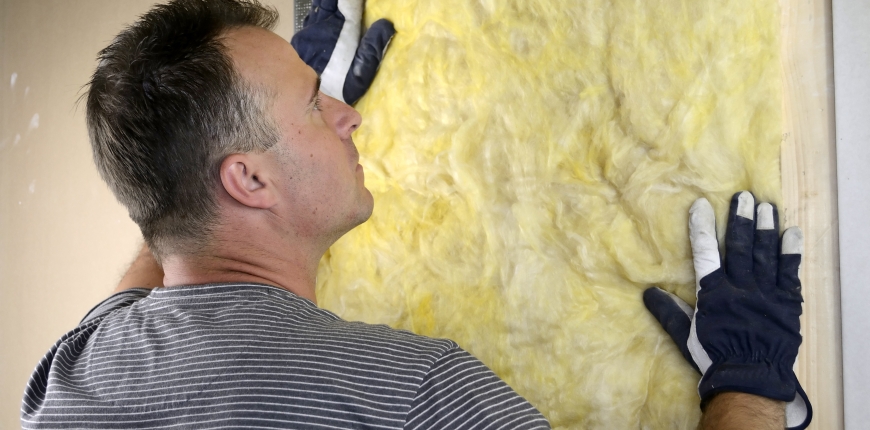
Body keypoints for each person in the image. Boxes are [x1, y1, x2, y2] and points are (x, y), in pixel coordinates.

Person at [20, 0, 811, 429]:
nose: (348, 115)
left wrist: (288, 130)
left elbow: (163, 243)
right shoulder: (413, 395)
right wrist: (747, 384)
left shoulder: (71, 381)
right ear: (249, 180)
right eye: (315, 102)